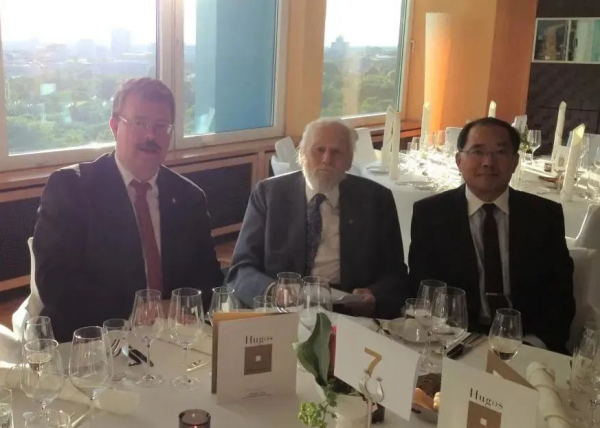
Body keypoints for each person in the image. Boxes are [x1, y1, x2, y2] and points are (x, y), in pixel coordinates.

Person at [33, 77, 223, 342]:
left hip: (172, 340)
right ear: (114, 127)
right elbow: (55, 284)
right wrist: (140, 311)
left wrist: (174, 309)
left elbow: (210, 280)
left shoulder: (189, 197)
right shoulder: (71, 189)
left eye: (161, 126)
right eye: (140, 123)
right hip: (93, 342)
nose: (150, 136)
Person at [409, 117, 574, 353]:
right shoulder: (430, 215)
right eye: (477, 152)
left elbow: (561, 295)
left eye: (500, 152)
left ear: (515, 162)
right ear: (459, 160)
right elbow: (424, 289)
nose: (488, 162)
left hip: (528, 342)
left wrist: (534, 344)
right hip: (456, 340)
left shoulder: (544, 216)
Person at [227, 118, 408, 319]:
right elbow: (240, 269)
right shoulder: (268, 195)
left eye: (336, 152)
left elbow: (396, 274)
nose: (327, 159)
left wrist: (374, 295)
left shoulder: (376, 199)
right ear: (302, 154)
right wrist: (271, 290)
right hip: (282, 310)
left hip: (349, 313)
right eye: (319, 150)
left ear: (349, 161)